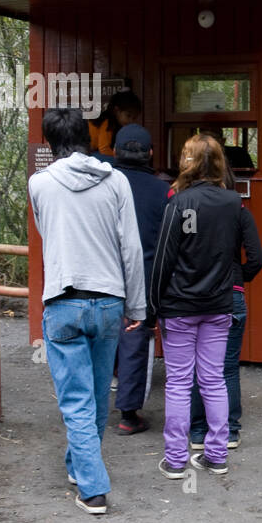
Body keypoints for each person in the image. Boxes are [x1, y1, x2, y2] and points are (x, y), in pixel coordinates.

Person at [28, 106, 146, 515]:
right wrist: (137, 305)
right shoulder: (117, 182)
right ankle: (79, 468)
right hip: (110, 300)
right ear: (89, 137)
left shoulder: (39, 184)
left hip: (63, 300)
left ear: (49, 143)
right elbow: (130, 247)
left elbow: (48, 234)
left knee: (76, 401)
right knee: (95, 396)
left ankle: (92, 489)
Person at [148, 135, 244, 478]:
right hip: (218, 303)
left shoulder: (179, 202)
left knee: (178, 383)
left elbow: (163, 259)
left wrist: (151, 305)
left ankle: (175, 459)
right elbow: (238, 254)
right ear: (220, 163)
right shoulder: (234, 203)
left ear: (186, 162)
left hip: (179, 306)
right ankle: (216, 455)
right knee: (214, 380)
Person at [188, 168, 262, 451]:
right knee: (227, 367)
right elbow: (257, 256)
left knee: (198, 365)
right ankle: (230, 431)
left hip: (196, 294)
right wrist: (239, 275)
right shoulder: (239, 209)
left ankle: (197, 432)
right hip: (231, 294)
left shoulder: (187, 207)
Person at [111, 124, 169, 435]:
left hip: (101, 275)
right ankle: (128, 415)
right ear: (149, 153)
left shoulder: (103, 183)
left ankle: (86, 407)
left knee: (100, 340)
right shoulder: (163, 191)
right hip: (145, 278)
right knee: (135, 341)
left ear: (115, 151)